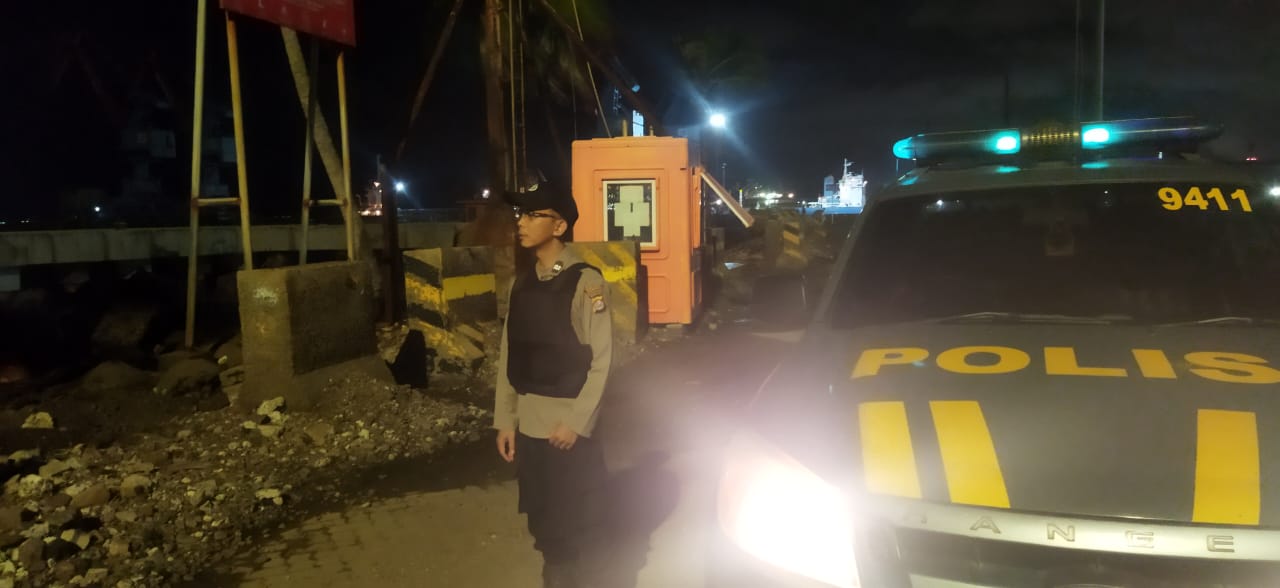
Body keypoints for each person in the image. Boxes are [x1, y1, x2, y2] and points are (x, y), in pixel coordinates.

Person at [494, 186, 613, 588]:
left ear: (559, 226)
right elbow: (510, 356)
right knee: (543, 522)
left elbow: (603, 362)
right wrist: (506, 420)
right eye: (520, 215)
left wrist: (577, 423)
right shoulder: (522, 284)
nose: (521, 223)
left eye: (533, 215)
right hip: (530, 427)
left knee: (570, 529)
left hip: (567, 432)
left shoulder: (586, 283)